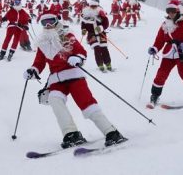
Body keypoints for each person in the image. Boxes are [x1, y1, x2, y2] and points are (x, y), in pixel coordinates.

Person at [23, 13, 126, 148]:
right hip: (56, 80)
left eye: (50, 21)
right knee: (54, 99)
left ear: (56, 21)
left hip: (73, 75)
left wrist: (78, 57)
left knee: (86, 103)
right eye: (44, 23)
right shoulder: (43, 42)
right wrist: (33, 70)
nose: (48, 25)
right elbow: (39, 62)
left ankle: (111, 132)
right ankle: (71, 133)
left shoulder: (66, 35)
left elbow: (81, 51)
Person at [147, 0, 183, 108]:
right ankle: (154, 96)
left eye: (173, 11)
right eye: (168, 11)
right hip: (169, 53)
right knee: (161, 74)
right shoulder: (165, 24)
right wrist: (155, 48)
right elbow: (160, 40)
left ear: (178, 11)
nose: (170, 13)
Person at [81, 0, 113, 72]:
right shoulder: (86, 12)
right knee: (97, 48)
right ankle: (100, 64)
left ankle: (108, 63)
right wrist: (83, 29)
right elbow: (83, 23)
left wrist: (101, 27)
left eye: (95, 6)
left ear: (97, 6)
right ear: (89, 6)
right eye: (92, 6)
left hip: (101, 33)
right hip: (91, 34)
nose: (93, 8)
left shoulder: (101, 12)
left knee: (104, 48)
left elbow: (106, 23)